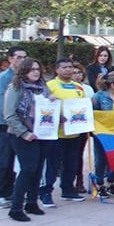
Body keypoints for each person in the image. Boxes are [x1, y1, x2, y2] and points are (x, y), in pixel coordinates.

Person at [3, 58, 53, 221]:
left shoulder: (43, 88)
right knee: (28, 169)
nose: (36, 72)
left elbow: (47, 110)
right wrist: (24, 133)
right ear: (24, 71)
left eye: (38, 69)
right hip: (22, 135)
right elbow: (10, 114)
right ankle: (16, 208)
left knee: (38, 169)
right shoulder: (16, 88)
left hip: (42, 134)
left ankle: (32, 202)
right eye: (32, 69)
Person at [40, 58, 87, 206]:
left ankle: (68, 189)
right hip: (56, 133)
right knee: (53, 164)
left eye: (70, 67)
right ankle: (46, 191)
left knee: (71, 163)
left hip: (75, 133)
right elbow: (43, 106)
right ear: (57, 70)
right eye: (64, 67)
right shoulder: (50, 85)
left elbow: (83, 106)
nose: (68, 70)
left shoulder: (78, 87)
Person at [0, 46, 26, 209]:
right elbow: (1, 104)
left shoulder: (22, 77)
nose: (22, 60)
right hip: (4, 125)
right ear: (10, 59)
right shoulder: (4, 78)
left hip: (17, 126)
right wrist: (10, 122)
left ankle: (8, 192)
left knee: (13, 160)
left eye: (24, 57)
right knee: (3, 160)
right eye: (18, 57)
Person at [91, 72, 114, 198]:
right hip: (102, 132)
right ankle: (100, 184)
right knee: (101, 160)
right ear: (113, 84)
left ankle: (110, 182)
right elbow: (94, 112)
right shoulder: (98, 96)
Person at [70, 62, 95, 193]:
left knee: (79, 154)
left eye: (79, 73)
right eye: (74, 73)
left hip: (82, 126)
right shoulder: (67, 87)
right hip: (68, 126)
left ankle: (79, 181)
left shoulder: (88, 89)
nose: (77, 75)